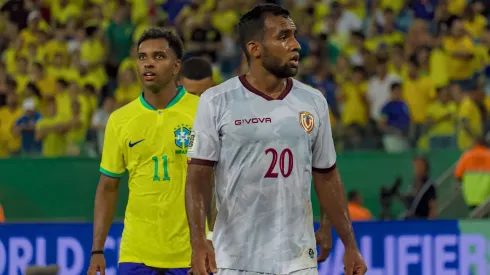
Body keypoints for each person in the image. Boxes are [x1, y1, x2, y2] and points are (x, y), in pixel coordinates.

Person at [185, 4, 366, 275]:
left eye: (294, 35)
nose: (296, 45)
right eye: (283, 37)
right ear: (255, 48)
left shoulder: (313, 101)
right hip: (235, 259)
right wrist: (199, 242)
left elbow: (326, 175)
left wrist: (349, 243)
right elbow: (198, 178)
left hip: (297, 260)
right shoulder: (217, 101)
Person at [88, 28, 200, 275]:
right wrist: (97, 250)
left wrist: (210, 241)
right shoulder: (120, 120)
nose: (149, 63)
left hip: (191, 254)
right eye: (142, 57)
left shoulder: (202, 112)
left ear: (176, 66)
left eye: (159, 56)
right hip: (136, 254)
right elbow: (108, 187)